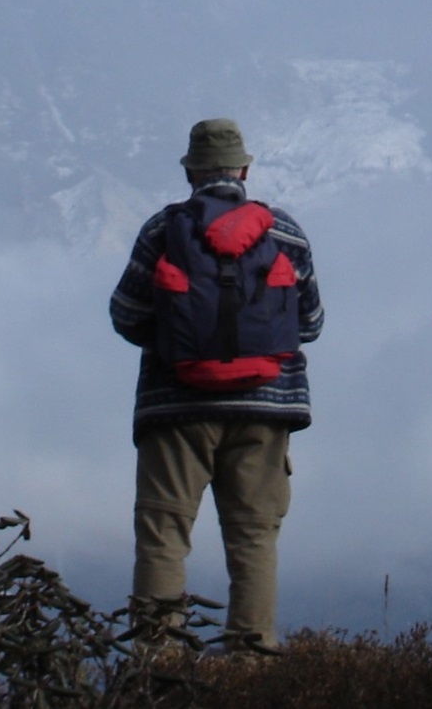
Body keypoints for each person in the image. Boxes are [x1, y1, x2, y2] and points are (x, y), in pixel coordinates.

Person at [109, 118, 324, 652]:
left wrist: (173, 339)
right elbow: (312, 324)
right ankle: (251, 665)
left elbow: (126, 312)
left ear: (191, 173)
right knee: (253, 537)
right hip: (265, 411)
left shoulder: (162, 230)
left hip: (175, 408)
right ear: (244, 170)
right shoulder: (286, 233)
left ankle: (158, 666)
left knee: (163, 538)